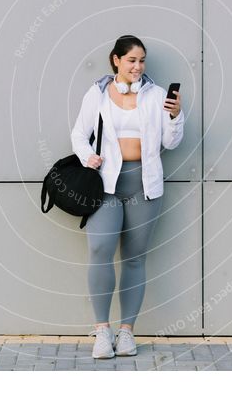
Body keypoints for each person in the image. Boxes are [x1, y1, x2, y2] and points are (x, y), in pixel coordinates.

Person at [71, 35, 184, 358]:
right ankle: (102, 332)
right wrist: (86, 156)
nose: (138, 66)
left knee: (134, 257)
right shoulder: (98, 93)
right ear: (116, 60)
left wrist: (175, 117)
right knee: (100, 248)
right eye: (132, 60)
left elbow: (172, 142)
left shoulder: (156, 95)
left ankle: (127, 332)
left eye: (142, 61)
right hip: (105, 184)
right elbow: (79, 133)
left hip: (143, 184)